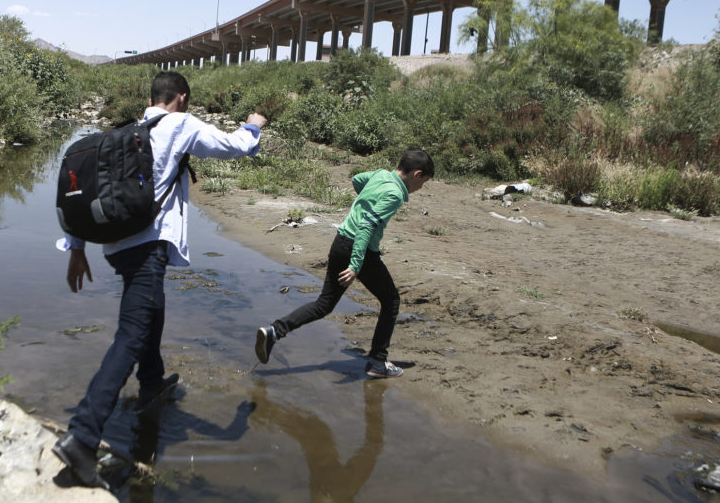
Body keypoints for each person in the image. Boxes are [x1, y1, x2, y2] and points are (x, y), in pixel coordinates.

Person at [52, 70, 267, 489]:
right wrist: (254, 125)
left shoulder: (126, 132)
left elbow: (87, 187)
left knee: (151, 309)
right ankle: (81, 435)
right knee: (132, 333)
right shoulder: (180, 124)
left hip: (115, 245)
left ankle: (151, 385)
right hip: (149, 247)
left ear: (151, 98)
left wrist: (76, 248)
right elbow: (234, 147)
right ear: (181, 98)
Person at [255, 149, 434, 378]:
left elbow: (357, 180)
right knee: (391, 301)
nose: (421, 188)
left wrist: (365, 200)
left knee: (325, 304)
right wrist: (356, 265)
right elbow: (367, 226)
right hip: (360, 251)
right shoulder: (395, 194)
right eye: (424, 182)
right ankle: (378, 362)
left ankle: (274, 331)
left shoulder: (380, 175)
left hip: (340, 241)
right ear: (417, 174)